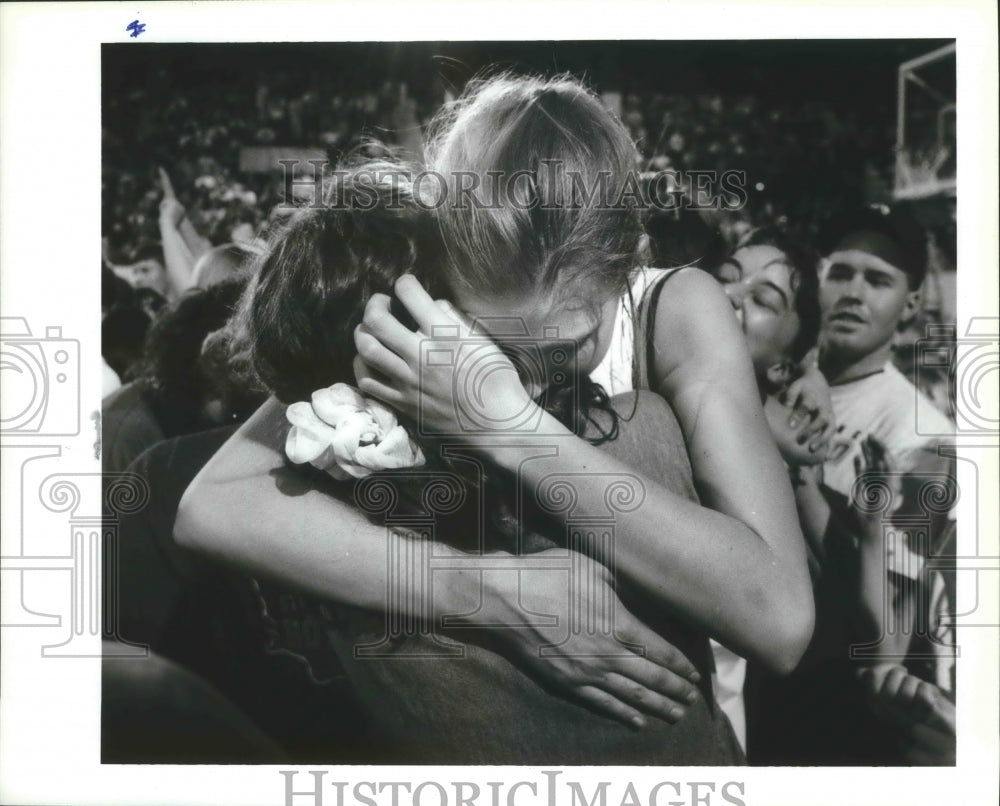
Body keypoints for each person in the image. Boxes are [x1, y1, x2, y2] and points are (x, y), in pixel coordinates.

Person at [176, 73, 815, 760]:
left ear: (630, 260)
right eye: (500, 346)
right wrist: (486, 590)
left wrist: (504, 423)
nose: (536, 375)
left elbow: (780, 621)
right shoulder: (421, 282)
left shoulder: (678, 310)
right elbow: (214, 505)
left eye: (567, 347)